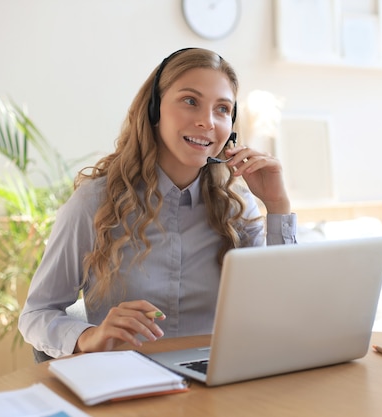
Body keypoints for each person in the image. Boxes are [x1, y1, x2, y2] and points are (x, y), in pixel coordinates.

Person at [18, 48, 297, 359]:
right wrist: (89, 336)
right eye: (191, 101)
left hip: (216, 382)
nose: (207, 122)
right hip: (128, 384)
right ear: (154, 110)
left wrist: (277, 205)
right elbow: (37, 313)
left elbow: (278, 312)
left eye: (221, 109)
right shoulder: (95, 203)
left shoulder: (237, 205)